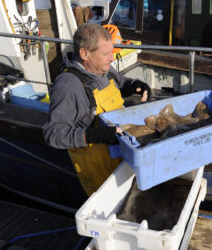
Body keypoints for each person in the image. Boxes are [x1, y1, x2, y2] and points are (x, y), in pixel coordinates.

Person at [43, 23, 150, 195]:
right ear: (84, 53)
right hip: (99, 170)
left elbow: (120, 82)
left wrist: (134, 86)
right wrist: (95, 135)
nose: (112, 58)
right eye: (106, 54)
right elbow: (53, 134)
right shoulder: (67, 87)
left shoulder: (102, 67)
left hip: (122, 157)